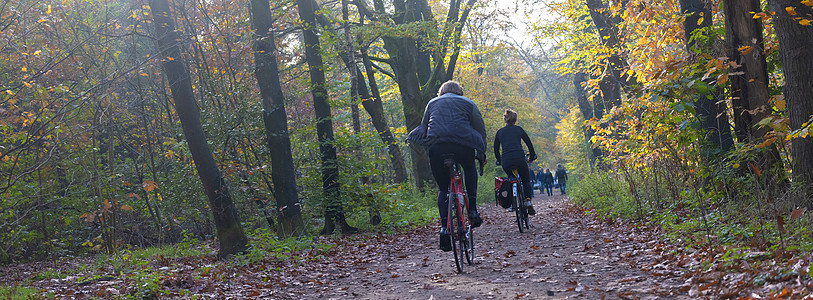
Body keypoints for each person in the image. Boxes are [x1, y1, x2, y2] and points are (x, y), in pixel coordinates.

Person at [409, 80, 486, 252]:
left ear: (441, 92)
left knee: (443, 189)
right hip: (463, 144)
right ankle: (472, 211)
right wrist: (482, 152)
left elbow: (424, 125)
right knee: (469, 168)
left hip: (437, 146)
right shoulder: (468, 103)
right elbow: (480, 129)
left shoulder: (432, 103)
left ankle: (444, 229)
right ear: (460, 92)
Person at [493, 109, 537, 215]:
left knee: (511, 179)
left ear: (505, 120)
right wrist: (532, 156)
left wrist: (500, 160)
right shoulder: (519, 130)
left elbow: (496, 149)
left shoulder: (499, 132)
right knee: (526, 180)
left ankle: (513, 202)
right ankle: (527, 201)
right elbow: (529, 143)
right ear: (515, 120)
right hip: (519, 158)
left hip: (507, 161)